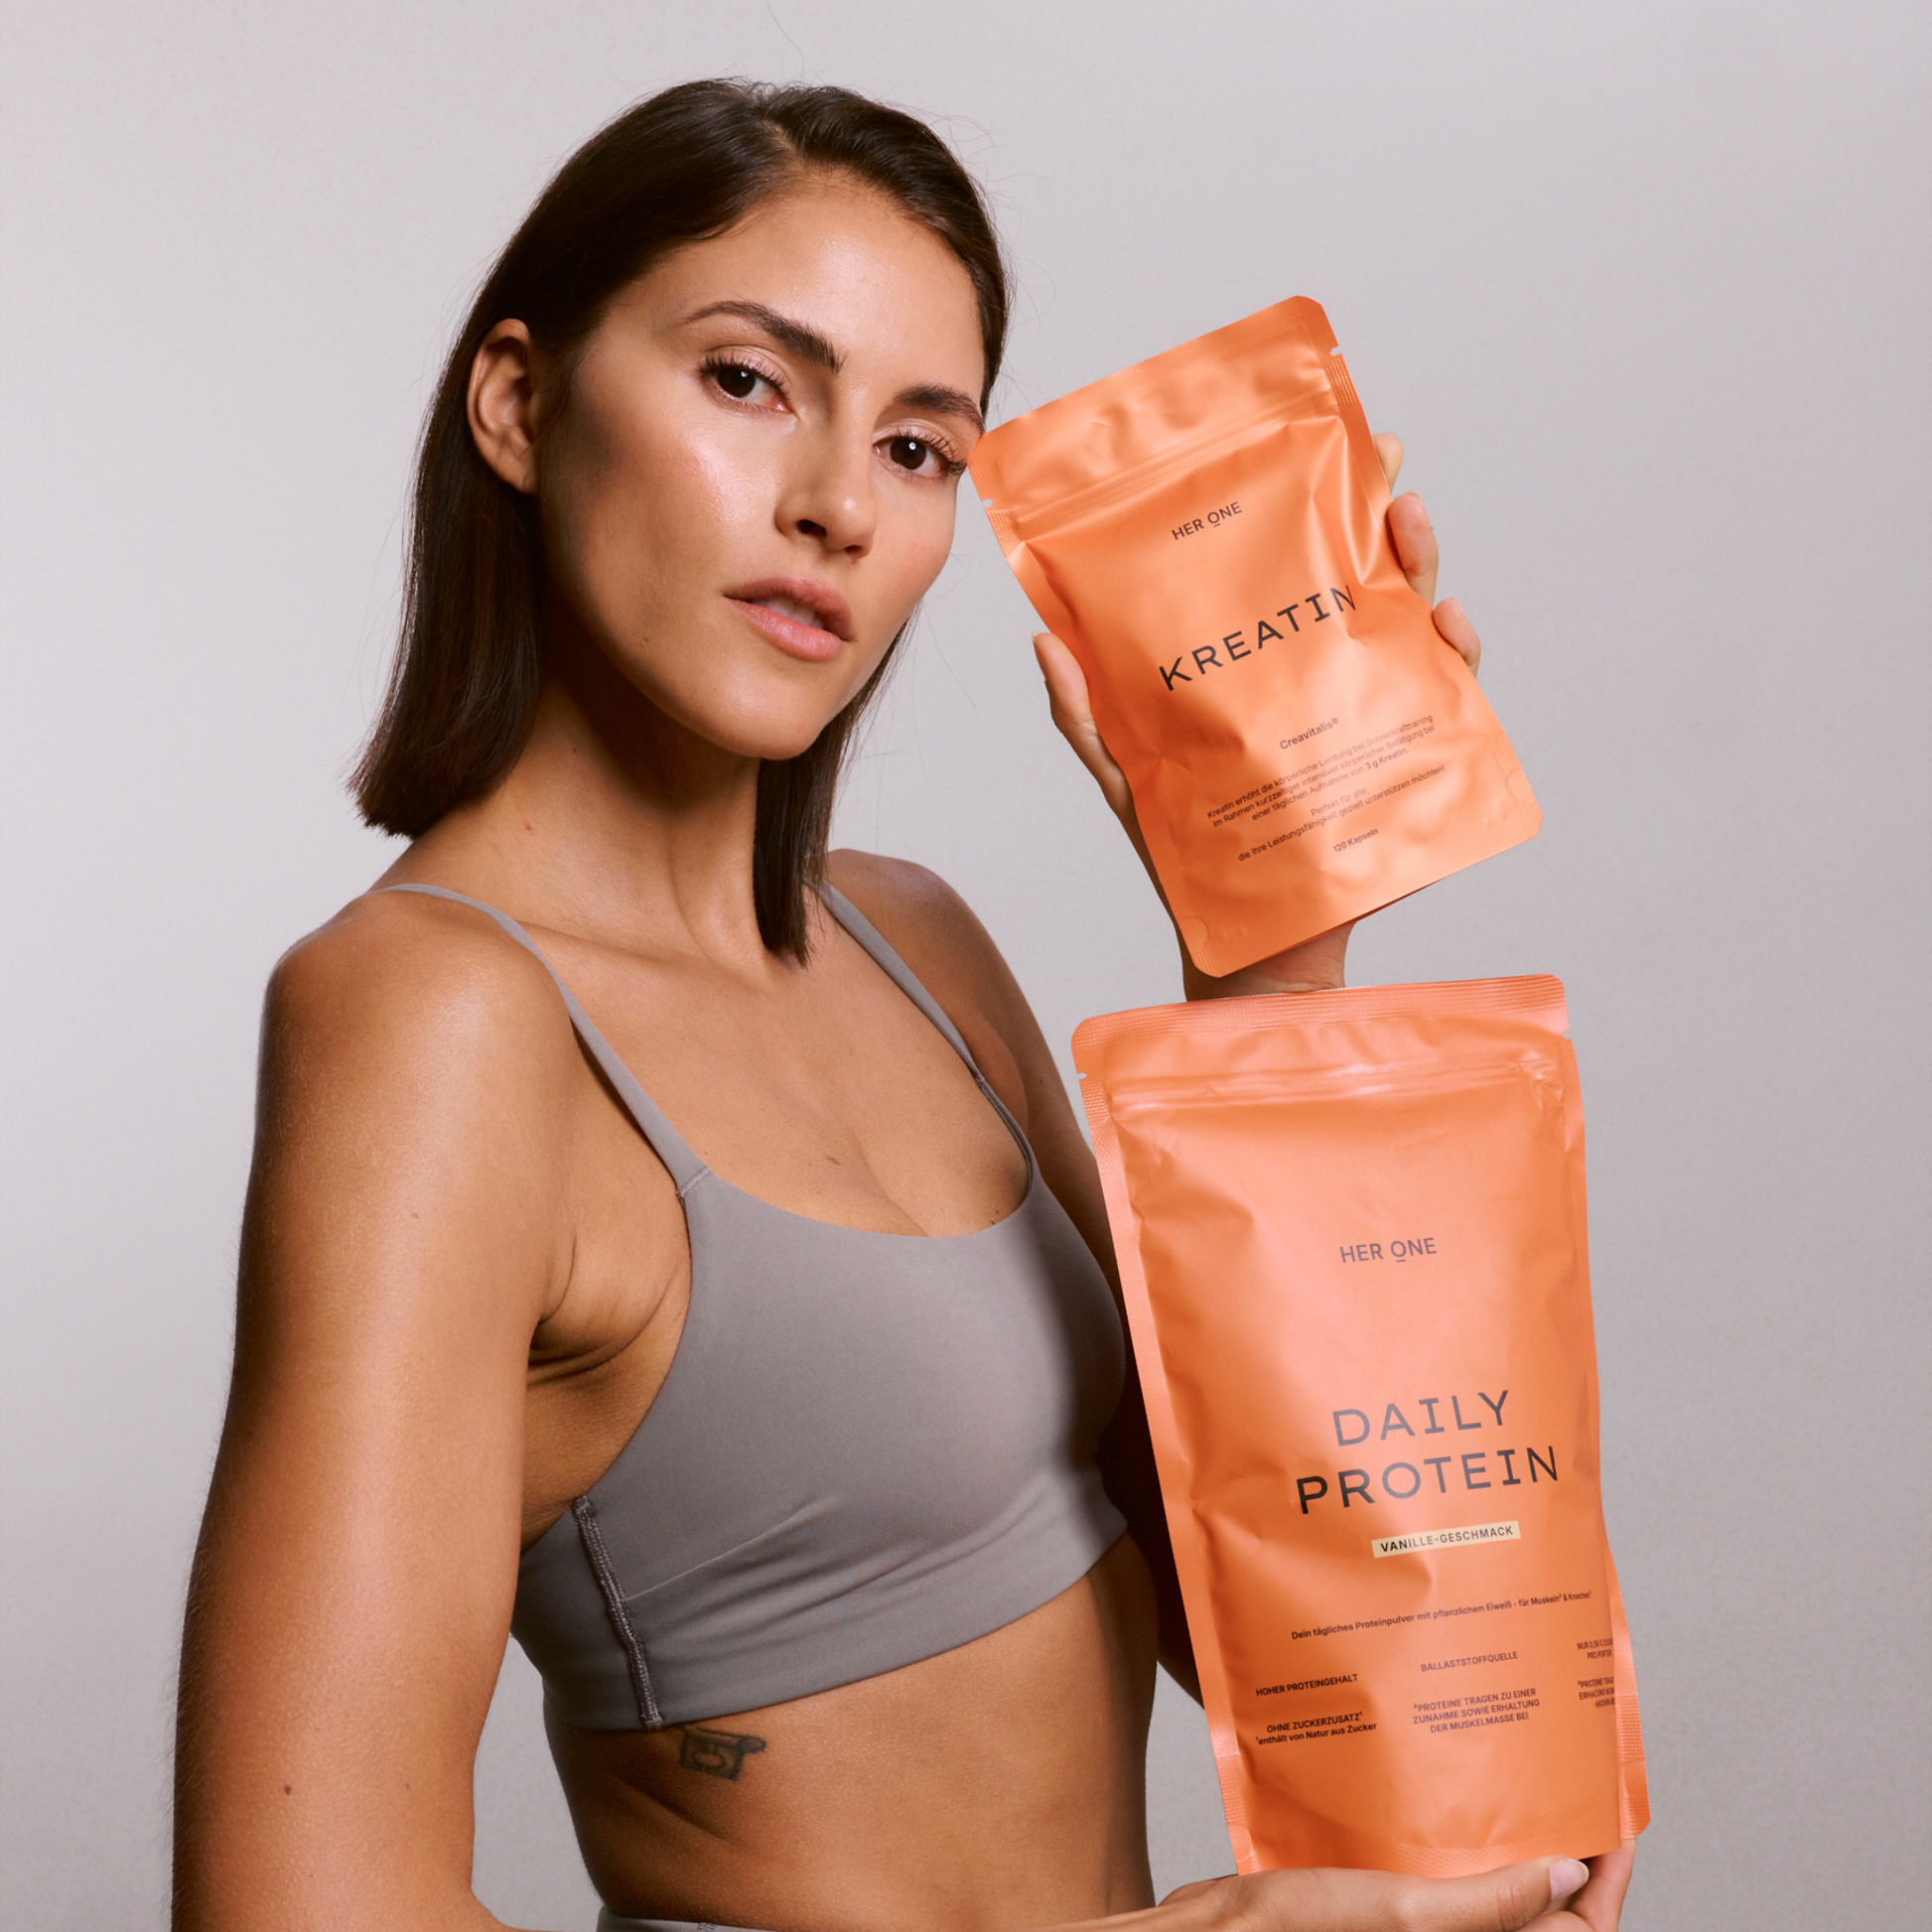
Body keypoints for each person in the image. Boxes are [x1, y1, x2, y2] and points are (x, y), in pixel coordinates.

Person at [172, 78, 1635, 1932]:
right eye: (745, 381)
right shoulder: (436, 1017)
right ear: (519, 405)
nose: (833, 508)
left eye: (920, 447)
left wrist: (1270, 979)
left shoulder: (911, 946)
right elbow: (298, 1912)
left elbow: (1287, 1638)